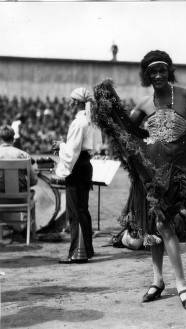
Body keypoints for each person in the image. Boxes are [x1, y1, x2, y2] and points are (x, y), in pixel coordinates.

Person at [92, 50, 186, 309]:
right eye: (153, 72)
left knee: (164, 226)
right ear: (147, 76)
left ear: (169, 71)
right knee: (157, 226)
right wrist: (108, 114)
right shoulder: (143, 104)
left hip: (180, 172)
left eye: (162, 71)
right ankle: (162, 280)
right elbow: (129, 132)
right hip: (152, 173)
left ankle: (176, 282)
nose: (158, 76)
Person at [53, 87, 102, 264]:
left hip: (77, 166)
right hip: (86, 165)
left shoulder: (78, 123)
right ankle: (87, 249)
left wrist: (60, 145)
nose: (68, 103)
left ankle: (77, 252)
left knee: (75, 211)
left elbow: (71, 151)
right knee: (83, 209)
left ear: (76, 102)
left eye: (70, 100)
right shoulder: (92, 121)